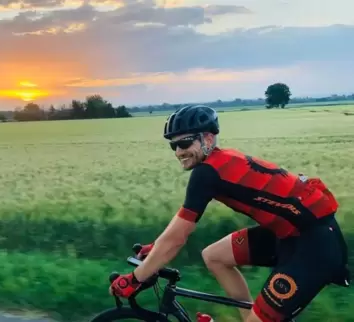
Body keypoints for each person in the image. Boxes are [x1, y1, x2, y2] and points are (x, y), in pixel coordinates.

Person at [109, 105, 350, 322]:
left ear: (208, 138)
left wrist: (135, 278)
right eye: (173, 144)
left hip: (315, 248)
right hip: (287, 234)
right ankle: (251, 317)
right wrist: (156, 248)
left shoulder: (207, 172)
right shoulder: (216, 163)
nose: (178, 152)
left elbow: (176, 239)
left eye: (185, 143)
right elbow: (179, 227)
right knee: (214, 256)